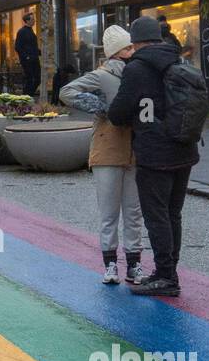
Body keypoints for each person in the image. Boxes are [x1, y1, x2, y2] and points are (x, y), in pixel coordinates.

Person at [107, 15, 207, 298]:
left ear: (135, 42)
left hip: (154, 153)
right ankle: (169, 270)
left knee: (156, 216)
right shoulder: (178, 60)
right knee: (173, 214)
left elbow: (118, 113)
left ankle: (165, 276)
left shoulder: (137, 68)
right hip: (185, 149)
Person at [60, 25, 146, 286]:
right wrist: (100, 108)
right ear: (116, 52)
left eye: (132, 46)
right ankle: (110, 264)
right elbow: (66, 92)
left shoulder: (139, 74)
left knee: (133, 212)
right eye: (128, 47)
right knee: (109, 213)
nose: (133, 51)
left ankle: (134, 265)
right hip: (107, 150)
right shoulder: (101, 75)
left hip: (134, 151)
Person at [15, 11, 41, 97]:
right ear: (27, 21)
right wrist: (26, 57)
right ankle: (26, 97)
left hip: (34, 58)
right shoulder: (22, 32)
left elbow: (31, 45)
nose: (34, 21)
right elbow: (18, 47)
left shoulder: (31, 31)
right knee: (30, 79)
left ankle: (28, 96)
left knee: (37, 79)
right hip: (28, 60)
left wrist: (39, 52)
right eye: (33, 19)